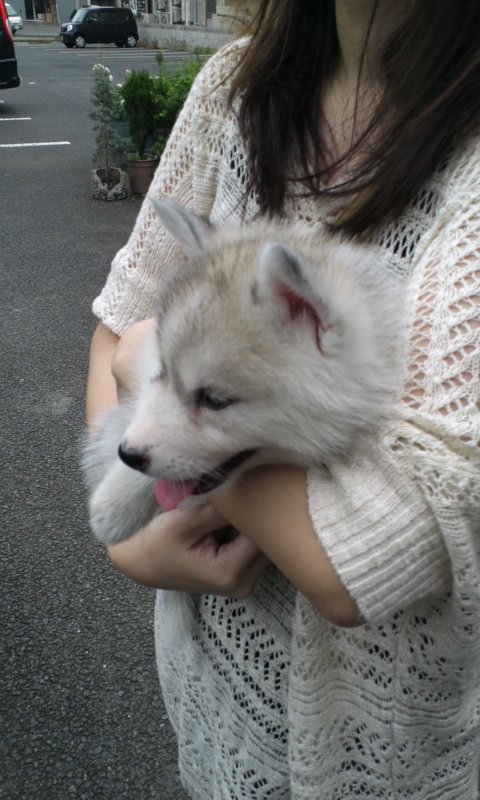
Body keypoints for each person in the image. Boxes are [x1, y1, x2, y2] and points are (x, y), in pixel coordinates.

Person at [85, 1, 480, 797]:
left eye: (212, 398)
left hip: (392, 762)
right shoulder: (232, 86)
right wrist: (128, 533)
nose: (144, 434)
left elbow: (362, 555)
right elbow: (119, 326)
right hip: (212, 704)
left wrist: (142, 373)